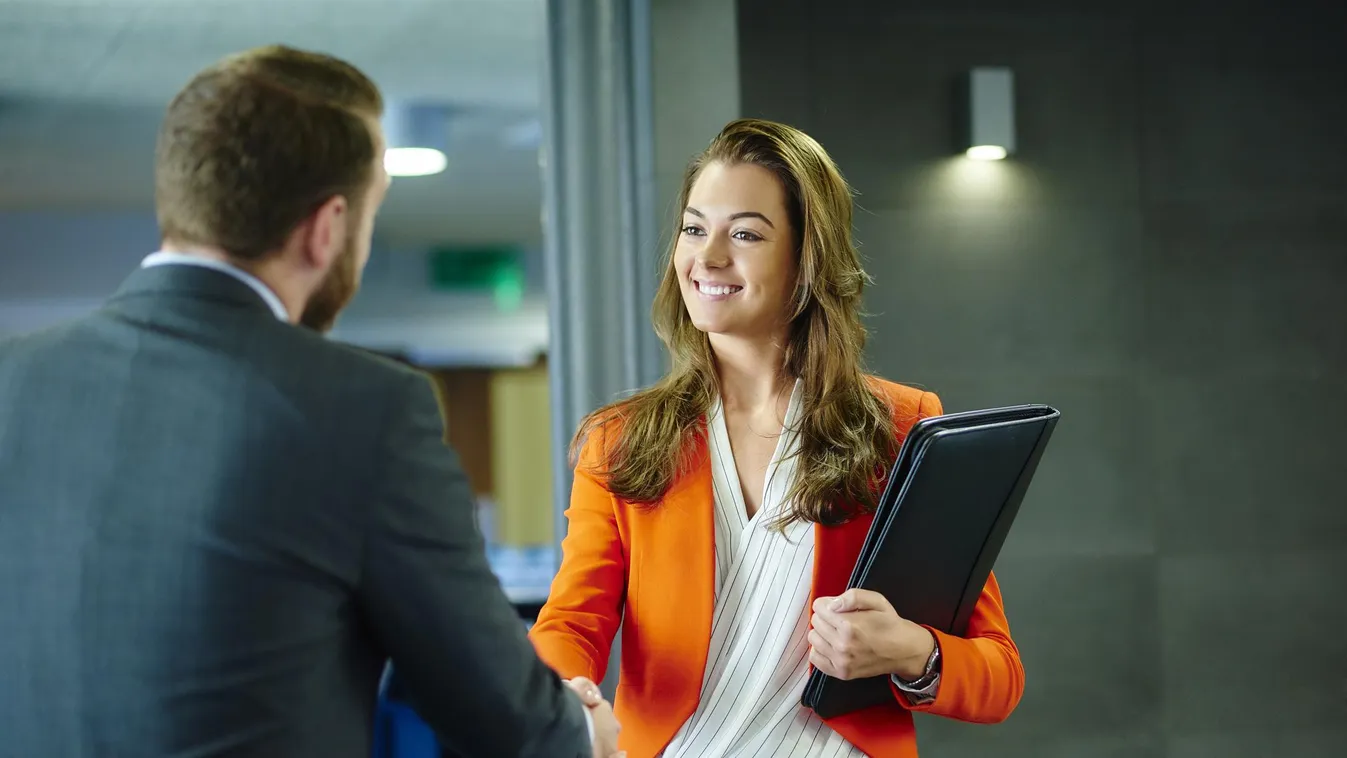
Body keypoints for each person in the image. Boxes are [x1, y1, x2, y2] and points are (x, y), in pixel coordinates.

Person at [0, 45, 619, 758]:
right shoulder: (363, 409)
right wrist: (581, 732)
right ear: (327, 228)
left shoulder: (14, 379)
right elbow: (496, 711)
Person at [529, 118, 1024, 757]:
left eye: (744, 234)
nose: (707, 258)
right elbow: (573, 621)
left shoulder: (897, 429)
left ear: (805, 257)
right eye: (693, 228)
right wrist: (566, 691)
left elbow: (998, 673)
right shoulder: (620, 441)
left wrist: (908, 649)